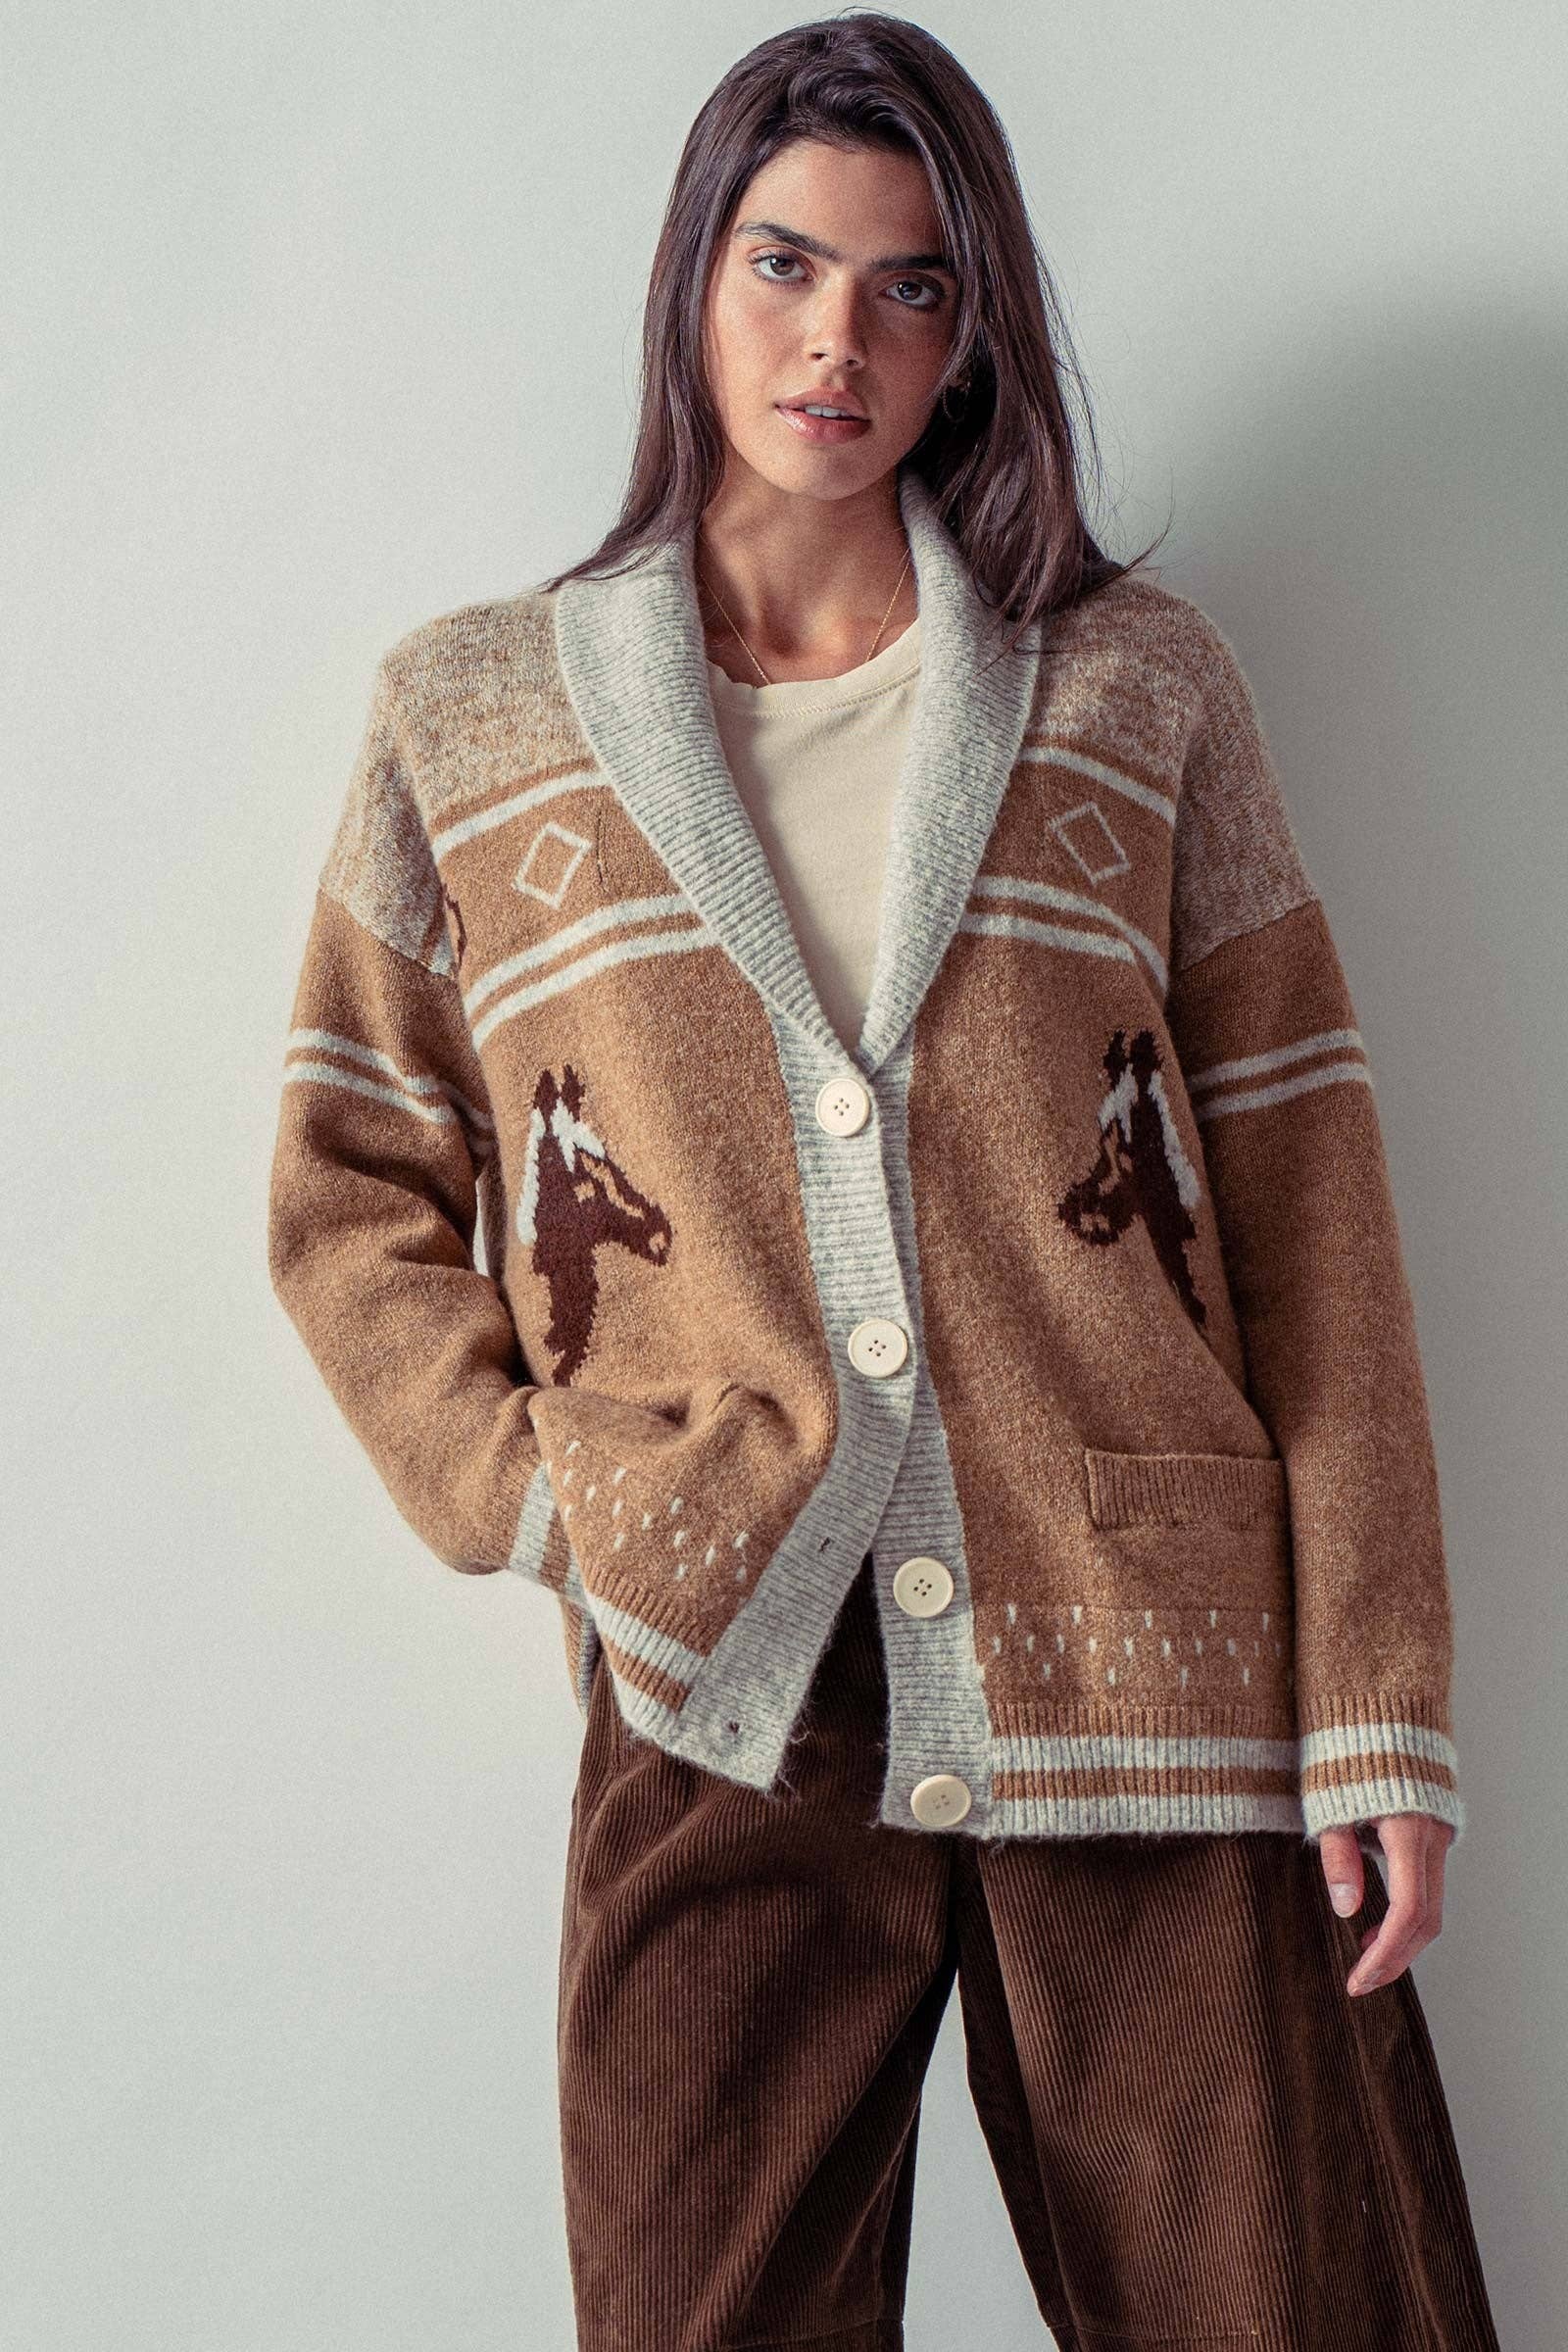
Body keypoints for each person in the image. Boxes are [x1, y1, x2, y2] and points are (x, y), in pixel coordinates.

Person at [268, 15, 1499, 2348]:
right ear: (689, 283)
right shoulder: (476, 715)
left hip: (1154, 1670)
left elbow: (1311, 1213)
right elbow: (347, 1176)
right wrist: (558, 1502)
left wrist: (1373, 1705)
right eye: (783, 263)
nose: (836, 338)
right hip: (716, 1677)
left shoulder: (1136, 694)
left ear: (974, 336)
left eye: (911, 288)